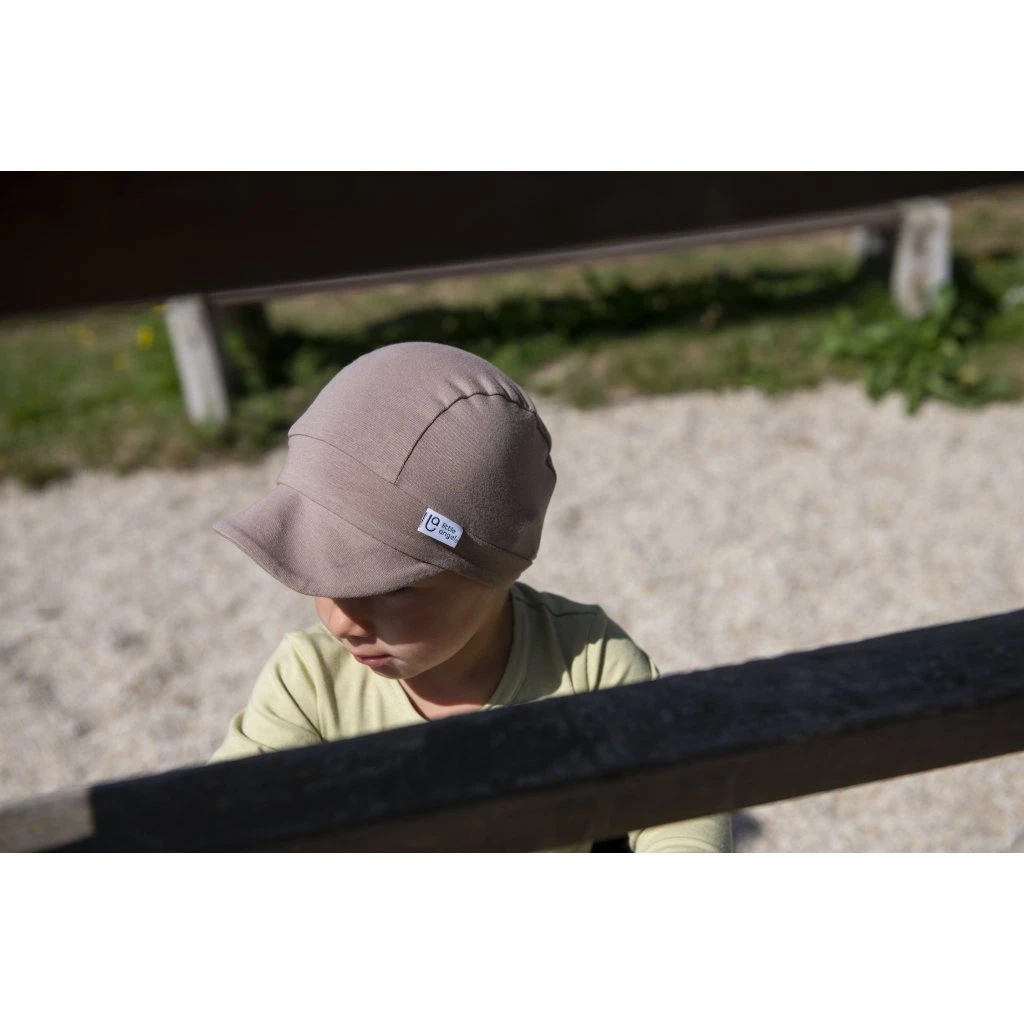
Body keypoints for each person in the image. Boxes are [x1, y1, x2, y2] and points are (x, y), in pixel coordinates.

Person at [209, 341, 732, 853]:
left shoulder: (588, 665)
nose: (342, 621)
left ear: (491, 571)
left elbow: (682, 800)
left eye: (389, 587)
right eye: (322, 571)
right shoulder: (310, 681)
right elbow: (227, 816)